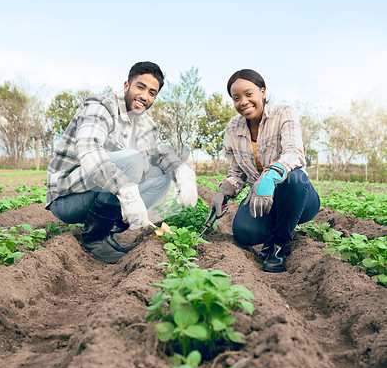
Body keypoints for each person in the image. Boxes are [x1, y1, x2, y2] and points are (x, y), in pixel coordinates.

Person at [46, 61, 198, 264]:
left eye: (152, 93)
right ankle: (95, 238)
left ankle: (107, 230)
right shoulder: (101, 106)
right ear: (127, 86)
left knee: (162, 177)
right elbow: (88, 148)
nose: (145, 96)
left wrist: (183, 173)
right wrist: (125, 189)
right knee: (132, 159)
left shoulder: (146, 124)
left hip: (98, 194)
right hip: (68, 198)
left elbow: (162, 154)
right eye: (140, 87)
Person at [206, 69, 320, 273]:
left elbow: (295, 153)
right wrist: (223, 192)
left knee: (295, 178)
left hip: (298, 197)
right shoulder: (233, 128)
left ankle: (277, 245)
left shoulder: (283, 113)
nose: (243, 102)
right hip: (262, 200)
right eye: (236, 98)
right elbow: (237, 173)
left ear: (263, 92)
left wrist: (270, 176)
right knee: (243, 233)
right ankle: (272, 233)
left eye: (249, 94)